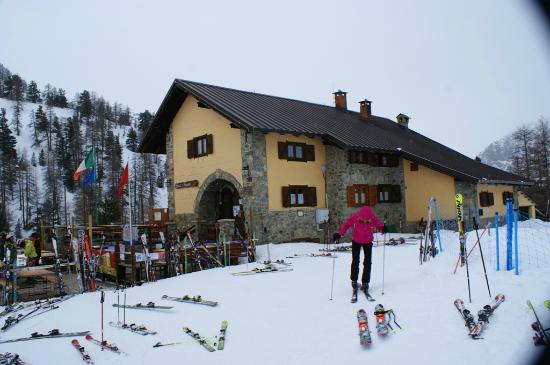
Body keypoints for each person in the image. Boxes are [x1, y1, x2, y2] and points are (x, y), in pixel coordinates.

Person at [333, 206, 387, 302]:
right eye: (363, 220)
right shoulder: (355, 216)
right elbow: (346, 225)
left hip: (368, 241)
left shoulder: (373, 218)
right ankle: (354, 281)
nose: (366, 221)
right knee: (355, 261)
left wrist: (383, 229)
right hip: (356, 241)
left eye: (368, 221)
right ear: (360, 217)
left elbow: (379, 226)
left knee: (367, 262)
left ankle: (365, 282)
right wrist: (340, 234)